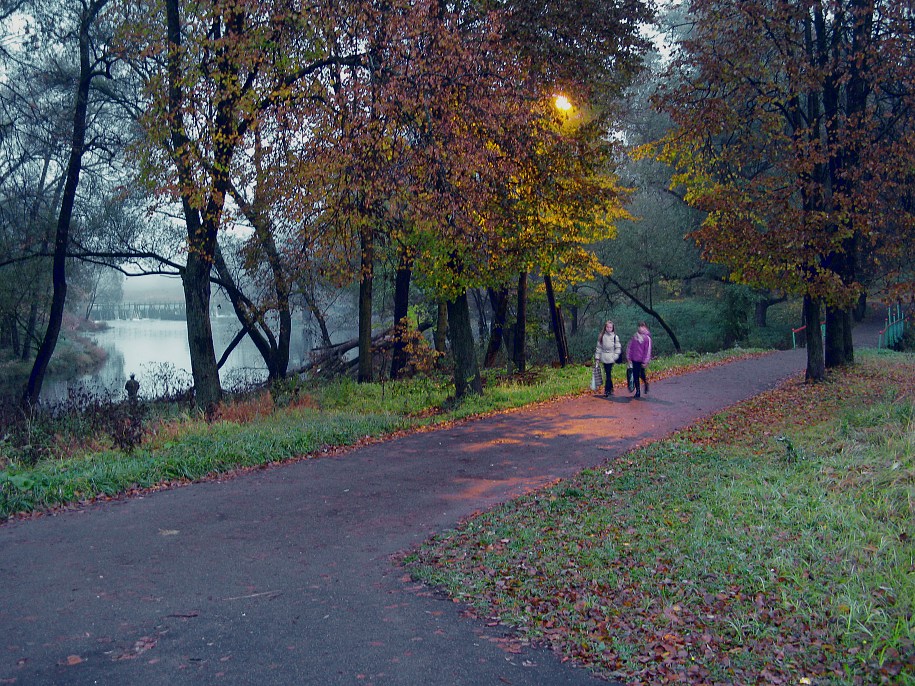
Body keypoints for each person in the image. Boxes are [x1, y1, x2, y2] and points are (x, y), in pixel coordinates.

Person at [594, 320, 621, 397]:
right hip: (604, 357)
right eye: (608, 327)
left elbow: (618, 348)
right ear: (605, 327)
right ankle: (611, 388)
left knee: (608, 374)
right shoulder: (602, 336)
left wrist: (615, 356)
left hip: (611, 357)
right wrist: (597, 358)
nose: (609, 328)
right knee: (607, 373)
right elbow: (599, 348)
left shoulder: (615, 337)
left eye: (610, 327)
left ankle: (607, 390)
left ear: (613, 328)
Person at [626, 322, 652, 398]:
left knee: (642, 374)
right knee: (635, 375)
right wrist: (629, 357)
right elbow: (630, 347)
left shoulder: (647, 338)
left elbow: (648, 351)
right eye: (639, 326)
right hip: (635, 359)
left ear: (645, 327)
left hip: (642, 360)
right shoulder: (635, 337)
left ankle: (645, 383)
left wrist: (645, 361)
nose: (640, 328)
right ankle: (638, 391)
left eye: (642, 326)